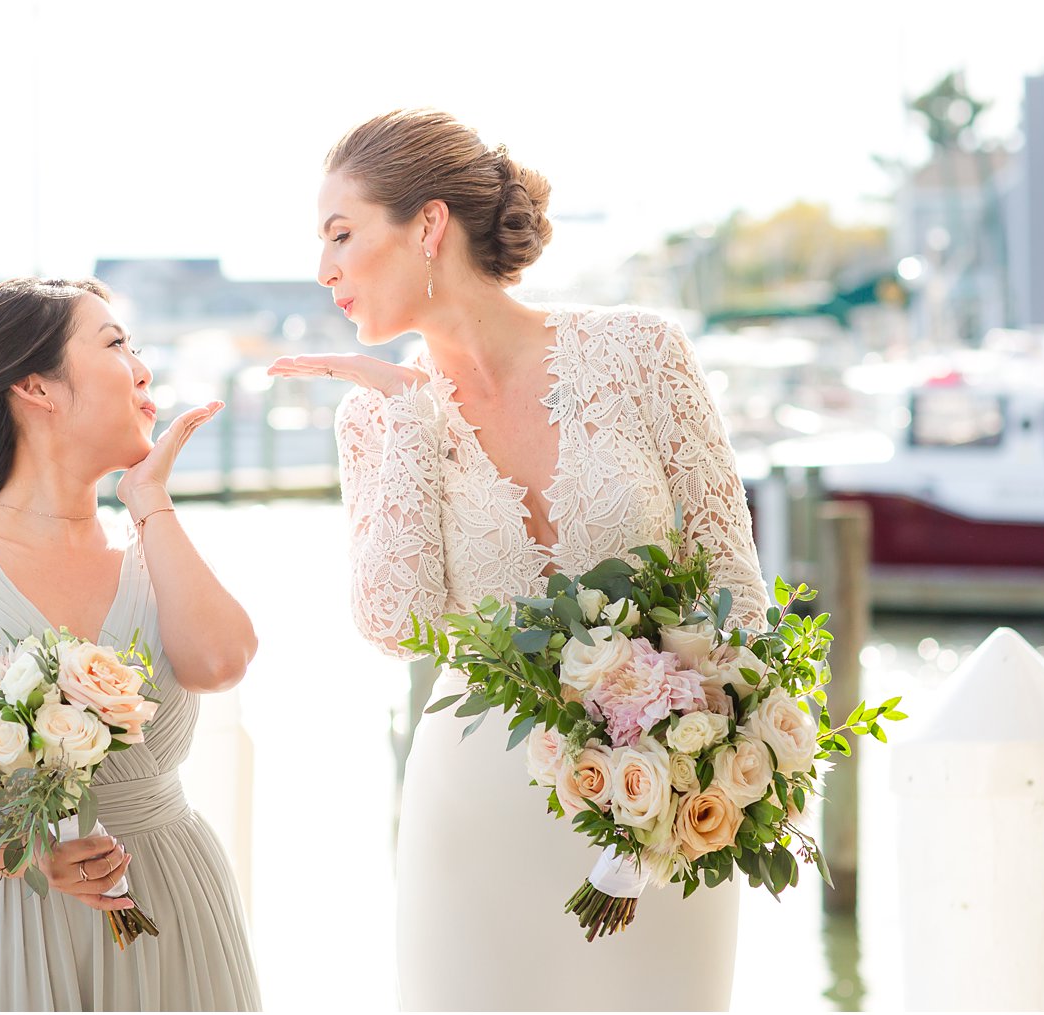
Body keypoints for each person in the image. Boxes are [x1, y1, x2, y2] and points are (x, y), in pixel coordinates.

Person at [270, 109, 768, 1011]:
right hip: (478, 801)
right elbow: (395, 624)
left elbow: (734, 586)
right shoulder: (372, 419)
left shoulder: (641, 352)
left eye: (342, 234)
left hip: (672, 802)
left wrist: (720, 757)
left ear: (427, 226)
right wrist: (414, 420)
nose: (325, 269)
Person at [0, 277, 262, 1012]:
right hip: (3, 920)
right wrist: (23, 852)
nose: (142, 367)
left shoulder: (151, 551)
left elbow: (222, 663)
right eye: (115, 343)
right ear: (36, 386)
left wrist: (150, 499)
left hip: (170, 901)